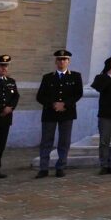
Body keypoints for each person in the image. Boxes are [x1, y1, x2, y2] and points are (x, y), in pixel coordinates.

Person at [35, 50, 83, 178]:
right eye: (60, 59)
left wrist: (65, 104)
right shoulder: (48, 77)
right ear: (56, 61)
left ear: (68, 61)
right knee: (46, 141)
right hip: (50, 113)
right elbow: (40, 96)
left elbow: (78, 94)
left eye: (64, 59)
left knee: (64, 141)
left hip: (67, 113)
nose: (62, 61)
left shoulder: (75, 76)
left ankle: (61, 166)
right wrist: (53, 104)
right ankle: (43, 168)